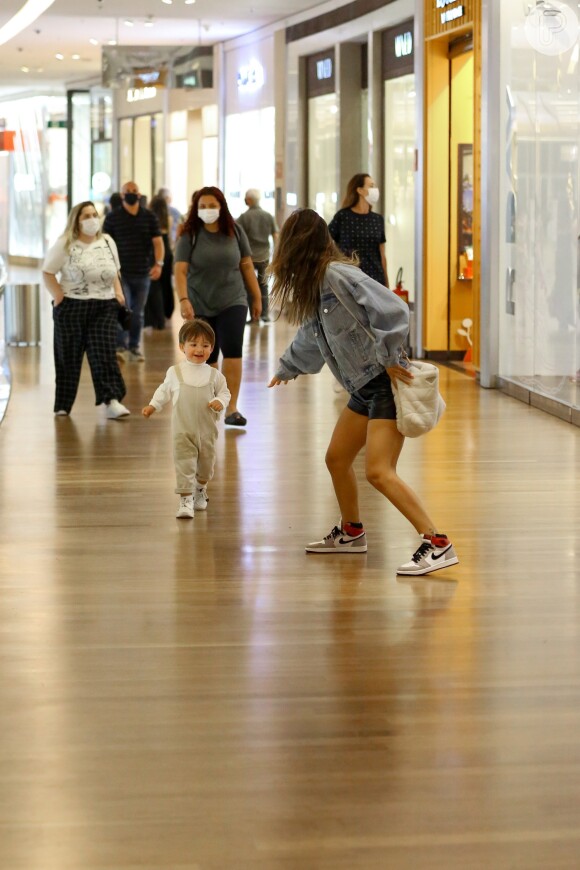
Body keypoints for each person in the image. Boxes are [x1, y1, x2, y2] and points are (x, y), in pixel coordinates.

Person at [267, 209, 458, 577]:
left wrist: (388, 356)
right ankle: (352, 533)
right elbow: (312, 333)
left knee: (379, 472)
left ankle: (438, 543)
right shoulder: (317, 283)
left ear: (298, 245)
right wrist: (288, 367)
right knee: (337, 459)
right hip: (362, 387)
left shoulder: (339, 275)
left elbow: (394, 309)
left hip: (383, 384)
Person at [174, 186, 262, 427]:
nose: (208, 210)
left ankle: (231, 407)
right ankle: (210, 403)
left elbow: (246, 265)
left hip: (233, 299)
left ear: (221, 206)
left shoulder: (235, 231)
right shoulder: (189, 234)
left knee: (233, 350)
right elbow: (180, 271)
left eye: (212, 205)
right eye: (202, 206)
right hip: (199, 301)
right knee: (206, 355)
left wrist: (256, 297)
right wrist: (183, 300)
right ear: (196, 209)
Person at [42, 201, 130, 419]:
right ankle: (63, 404)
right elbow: (47, 272)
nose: (92, 219)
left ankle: (111, 400)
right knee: (68, 356)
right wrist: (58, 296)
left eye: (94, 214)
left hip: (104, 305)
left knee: (104, 353)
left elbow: (115, 271)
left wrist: (119, 293)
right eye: (86, 216)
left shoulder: (107, 241)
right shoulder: (65, 244)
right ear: (76, 220)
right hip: (72, 305)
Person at [142, 319, 231, 519]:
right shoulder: (175, 372)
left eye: (205, 345)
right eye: (193, 344)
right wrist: (153, 405)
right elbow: (163, 390)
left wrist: (219, 401)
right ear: (182, 347)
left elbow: (225, 393)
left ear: (211, 349)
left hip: (207, 431)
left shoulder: (215, 375)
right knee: (184, 463)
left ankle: (200, 489)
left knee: (207, 465)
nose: (199, 349)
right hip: (183, 431)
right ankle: (185, 500)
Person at [103, 181, 164, 362]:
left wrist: (158, 263)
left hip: (143, 272)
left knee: (138, 312)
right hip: (121, 274)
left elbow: (158, 242)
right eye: (127, 191)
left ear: (139, 194)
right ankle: (120, 345)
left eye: (134, 191)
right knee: (124, 308)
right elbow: (105, 242)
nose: (131, 194)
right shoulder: (113, 218)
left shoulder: (149, 216)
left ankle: (134, 347)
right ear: (121, 195)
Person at [328, 173, 390, 287]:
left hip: (375, 279)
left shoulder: (377, 219)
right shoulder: (342, 217)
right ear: (360, 190)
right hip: (349, 279)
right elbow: (326, 242)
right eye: (371, 186)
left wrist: (386, 284)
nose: (375, 190)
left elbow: (382, 255)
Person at [236, 188, 279, 323]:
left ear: (249, 200)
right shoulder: (268, 216)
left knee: (250, 285)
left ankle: (253, 315)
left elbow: (238, 237)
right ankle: (264, 314)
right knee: (263, 285)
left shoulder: (244, 217)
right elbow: (275, 235)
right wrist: (276, 253)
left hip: (248, 257)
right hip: (264, 256)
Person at [144, 194, 174, 328]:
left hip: (155, 252)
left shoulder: (149, 219)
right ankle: (166, 312)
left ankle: (156, 318)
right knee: (166, 283)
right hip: (167, 252)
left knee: (154, 284)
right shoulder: (169, 219)